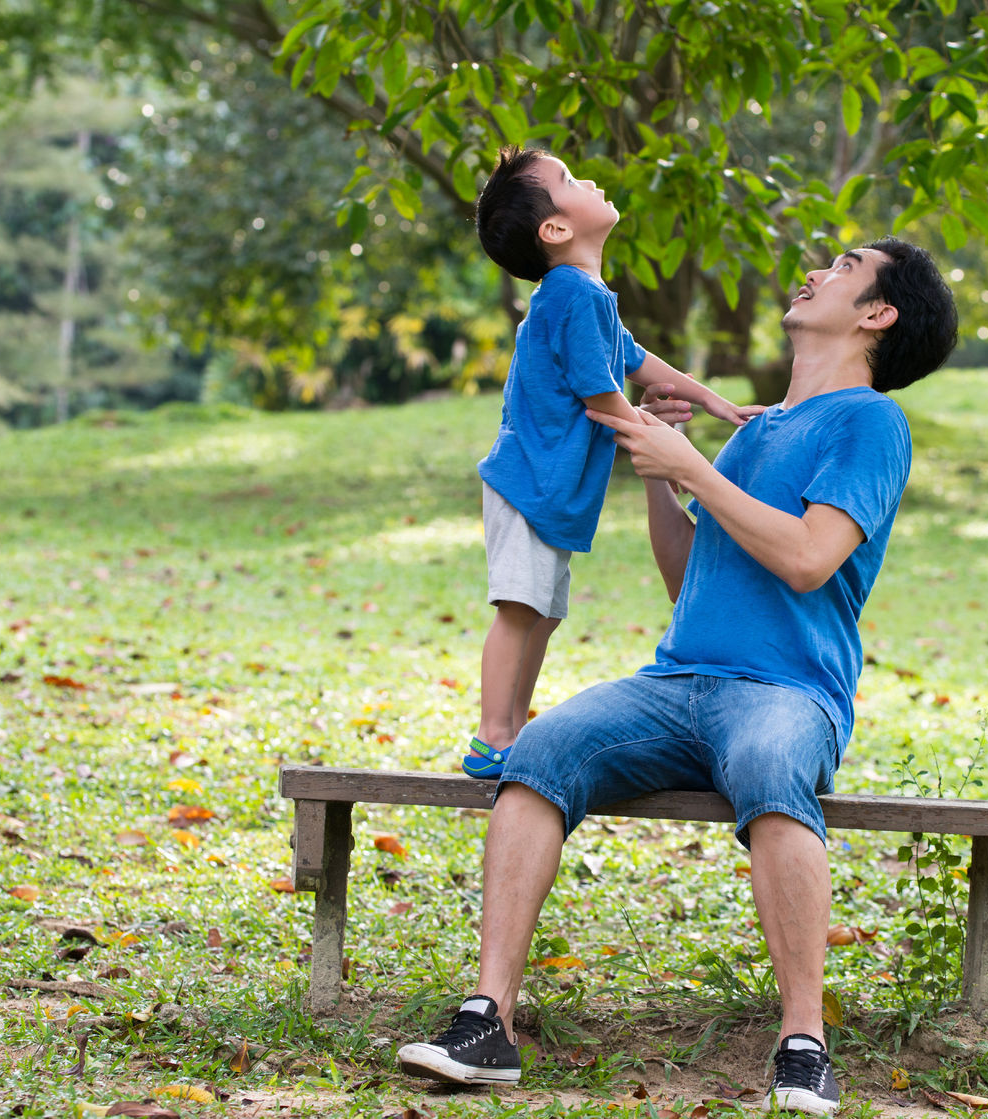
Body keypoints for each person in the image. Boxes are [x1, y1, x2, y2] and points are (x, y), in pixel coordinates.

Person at [397, 237, 959, 1114]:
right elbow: (686, 573)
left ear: (877, 315)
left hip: (786, 691)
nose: (813, 273)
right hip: (677, 681)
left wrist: (693, 466)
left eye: (843, 268)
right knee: (535, 754)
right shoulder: (759, 427)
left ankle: (802, 1044)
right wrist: (661, 475)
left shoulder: (868, 423)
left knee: (774, 772)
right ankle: (486, 1020)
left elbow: (810, 559)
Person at [465, 146, 758, 780]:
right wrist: (665, 445)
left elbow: (638, 361)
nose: (590, 178)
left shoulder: (589, 295)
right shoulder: (568, 291)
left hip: (554, 491)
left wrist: (714, 402)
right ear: (556, 229)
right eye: (570, 179)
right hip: (528, 484)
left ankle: (515, 727)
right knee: (520, 608)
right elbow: (600, 391)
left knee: (541, 612)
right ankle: (494, 735)